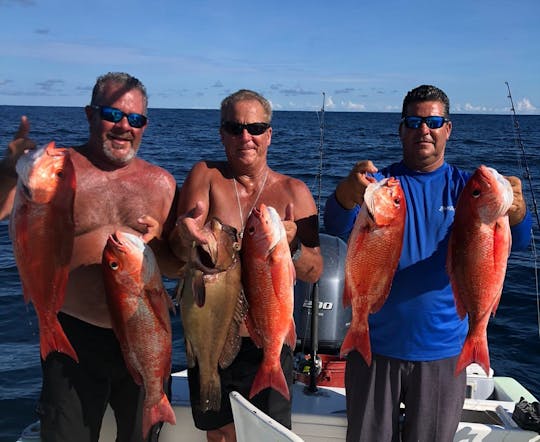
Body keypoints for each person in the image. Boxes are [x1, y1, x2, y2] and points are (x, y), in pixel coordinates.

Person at [324, 84, 532, 442]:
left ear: (448, 129)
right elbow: (336, 224)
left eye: (434, 122)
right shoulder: (380, 185)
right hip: (375, 346)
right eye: (414, 121)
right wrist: (346, 190)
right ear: (401, 129)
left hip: (444, 352)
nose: (425, 130)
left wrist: (518, 209)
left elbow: (522, 240)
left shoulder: (468, 189)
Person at [0, 72, 178, 441]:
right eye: (113, 114)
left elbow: (175, 265)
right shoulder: (57, 170)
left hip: (142, 336)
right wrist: (9, 166)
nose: (124, 126)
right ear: (89, 114)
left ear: (146, 125)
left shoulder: (162, 183)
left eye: (136, 119)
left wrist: (161, 243)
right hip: (72, 336)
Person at [170, 89, 323, 442]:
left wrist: (294, 244)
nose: (246, 137)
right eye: (234, 127)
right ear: (221, 133)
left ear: (269, 133)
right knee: (220, 436)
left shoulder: (294, 191)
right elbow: (178, 254)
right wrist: (187, 234)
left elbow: (314, 271)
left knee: (266, 436)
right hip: (214, 334)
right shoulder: (206, 176)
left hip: (270, 340)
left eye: (255, 127)